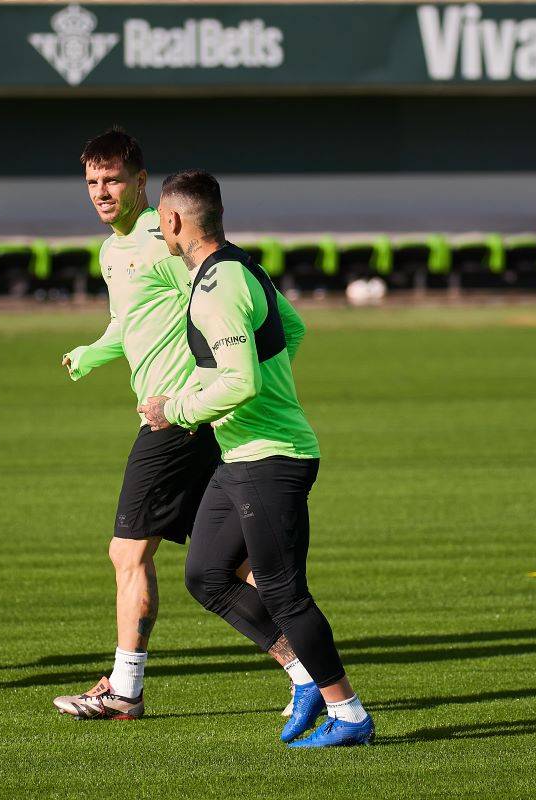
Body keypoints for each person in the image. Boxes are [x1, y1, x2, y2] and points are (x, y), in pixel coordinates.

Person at [53, 130, 306, 720]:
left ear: (142, 183)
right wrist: (93, 351)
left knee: (127, 552)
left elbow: (255, 305)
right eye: (92, 181)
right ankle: (310, 671)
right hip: (186, 420)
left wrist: (220, 388)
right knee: (232, 569)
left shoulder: (165, 240)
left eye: (113, 179)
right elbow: (131, 322)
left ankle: (125, 689)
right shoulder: (111, 252)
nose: (101, 192)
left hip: (179, 423)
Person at [139, 170, 376, 747]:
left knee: (284, 590)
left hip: (271, 458)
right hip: (242, 454)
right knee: (206, 574)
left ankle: (350, 715)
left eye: (160, 220)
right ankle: (303, 677)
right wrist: (259, 390)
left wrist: (179, 407)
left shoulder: (218, 287)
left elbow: (239, 379)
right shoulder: (243, 267)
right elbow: (290, 328)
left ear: (174, 222)